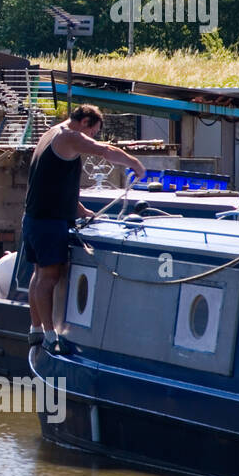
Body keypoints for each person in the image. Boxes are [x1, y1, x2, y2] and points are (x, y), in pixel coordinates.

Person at [23, 105, 144, 354]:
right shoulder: (69, 136)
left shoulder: (51, 133)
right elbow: (105, 151)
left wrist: (79, 210)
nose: (94, 137)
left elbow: (50, 182)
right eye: (94, 131)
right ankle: (49, 335)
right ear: (85, 121)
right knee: (49, 278)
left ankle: (35, 331)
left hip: (34, 218)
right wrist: (135, 164)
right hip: (49, 222)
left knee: (38, 275)